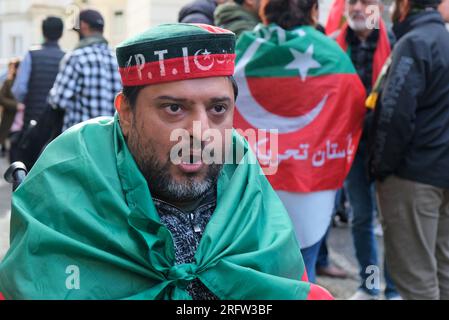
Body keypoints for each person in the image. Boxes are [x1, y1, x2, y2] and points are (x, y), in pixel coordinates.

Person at [0, 23, 332, 300]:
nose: (200, 133)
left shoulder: (246, 180)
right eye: (173, 108)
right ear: (126, 113)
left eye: (218, 109)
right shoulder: (65, 183)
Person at [233, 0, 366, 283]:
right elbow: (354, 108)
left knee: (256, 274)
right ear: (314, 11)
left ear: (264, 12)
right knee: (303, 270)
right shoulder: (333, 54)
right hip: (311, 183)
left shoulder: (242, 50)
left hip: (253, 184)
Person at [368, 0, 449, 300]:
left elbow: (395, 113)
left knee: (416, 277)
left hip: (413, 176)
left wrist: (380, 168)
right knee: (442, 270)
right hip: (438, 172)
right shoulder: (438, 39)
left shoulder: (415, 43)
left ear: (403, 6)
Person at [326, 0, 400, 300]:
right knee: (360, 217)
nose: (358, 8)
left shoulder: (396, 43)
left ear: (378, 8)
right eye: (352, 2)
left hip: (388, 146)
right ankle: (369, 285)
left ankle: (393, 289)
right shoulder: (331, 46)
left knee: (393, 221)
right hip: (351, 145)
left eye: (366, 2)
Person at [48, 9, 121, 132]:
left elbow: (58, 101)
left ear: (83, 26)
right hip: (111, 139)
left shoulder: (76, 57)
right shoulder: (117, 58)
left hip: (80, 140)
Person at [10, 16, 65, 169]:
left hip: (32, 121)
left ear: (43, 32)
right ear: (61, 33)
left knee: (29, 166)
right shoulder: (66, 57)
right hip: (56, 125)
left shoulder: (31, 55)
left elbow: (19, 90)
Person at [0, 59, 21, 156]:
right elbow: (1, 98)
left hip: (22, 121)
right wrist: (16, 105)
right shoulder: (8, 82)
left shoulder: (28, 82)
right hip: (9, 117)